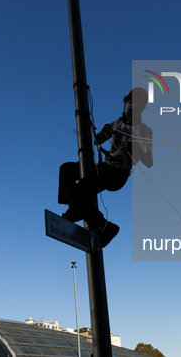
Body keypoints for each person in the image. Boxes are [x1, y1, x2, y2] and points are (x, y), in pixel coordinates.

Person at [58, 87, 153, 248]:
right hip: (104, 167)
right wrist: (103, 132)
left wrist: (133, 147)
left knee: (74, 193)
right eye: (131, 102)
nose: (132, 106)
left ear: (142, 109)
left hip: (117, 173)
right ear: (125, 102)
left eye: (138, 104)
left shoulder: (143, 130)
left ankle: (107, 227)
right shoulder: (117, 122)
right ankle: (73, 209)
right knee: (66, 169)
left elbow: (149, 161)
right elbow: (98, 141)